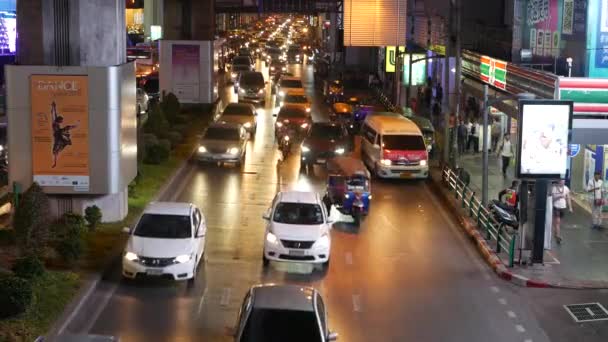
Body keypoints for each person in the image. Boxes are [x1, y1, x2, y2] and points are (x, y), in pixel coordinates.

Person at [51, 101, 79, 168]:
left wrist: (54, 107)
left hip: (59, 134)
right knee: (55, 151)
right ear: (59, 120)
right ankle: (55, 163)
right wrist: (53, 108)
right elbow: (53, 115)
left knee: (66, 128)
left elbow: (55, 114)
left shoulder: (56, 121)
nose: (62, 122)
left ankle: (75, 126)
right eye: (61, 121)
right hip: (58, 135)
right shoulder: (54, 122)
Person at [551, 180, 572, 244]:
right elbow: (552, 199)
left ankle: (555, 233)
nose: (563, 182)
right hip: (556, 207)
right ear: (558, 181)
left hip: (563, 207)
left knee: (558, 223)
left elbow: (568, 198)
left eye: (564, 181)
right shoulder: (554, 188)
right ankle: (558, 236)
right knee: (557, 222)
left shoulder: (566, 188)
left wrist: (570, 207)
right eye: (561, 181)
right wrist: (559, 197)